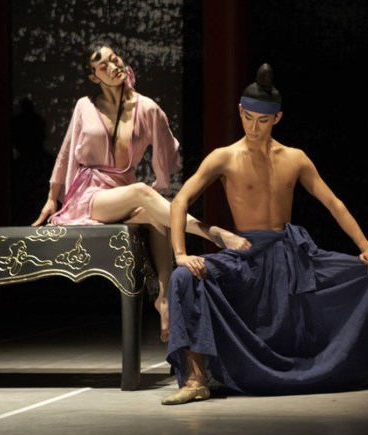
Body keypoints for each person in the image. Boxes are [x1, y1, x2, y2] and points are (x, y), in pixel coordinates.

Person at [161, 63, 368, 405]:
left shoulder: (295, 158)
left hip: (292, 255)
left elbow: (333, 203)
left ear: (277, 118)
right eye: (248, 118)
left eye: (263, 120)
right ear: (240, 111)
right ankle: (195, 380)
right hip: (246, 256)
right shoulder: (224, 157)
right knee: (184, 278)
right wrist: (180, 254)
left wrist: (366, 246)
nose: (254, 127)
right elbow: (180, 201)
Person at [32, 44, 249, 342]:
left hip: (122, 191)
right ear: (94, 77)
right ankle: (212, 233)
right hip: (90, 194)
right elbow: (66, 153)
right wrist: (51, 197)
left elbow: (167, 149)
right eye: (103, 65)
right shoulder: (85, 105)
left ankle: (164, 298)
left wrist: (161, 159)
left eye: (115, 58)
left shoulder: (146, 107)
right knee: (142, 193)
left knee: (156, 216)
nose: (114, 66)